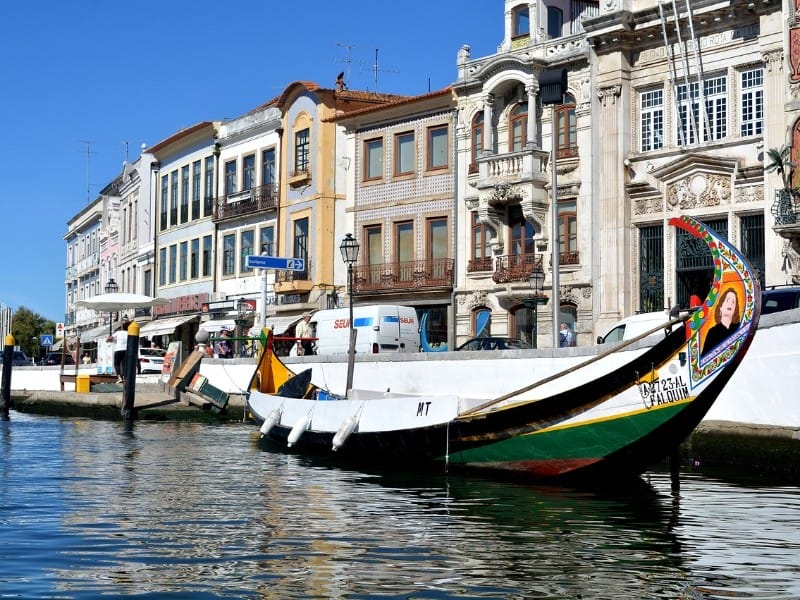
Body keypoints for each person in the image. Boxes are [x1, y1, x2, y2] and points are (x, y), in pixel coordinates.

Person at [702, 287, 740, 355]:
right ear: (720, 307)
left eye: (733, 302)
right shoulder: (712, 332)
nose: (730, 304)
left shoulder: (739, 327)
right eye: (727, 300)